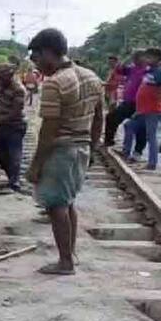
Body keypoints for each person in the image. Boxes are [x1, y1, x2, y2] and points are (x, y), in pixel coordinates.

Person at [27, 28, 104, 275]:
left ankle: (65, 262)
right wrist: (92, 147)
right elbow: (99, 117)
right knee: (68, 201)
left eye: (37, 58)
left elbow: (48, 130)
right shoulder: (92, 77)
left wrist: (36, 164)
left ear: (48, 52)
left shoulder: (55, 83)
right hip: (80, 147)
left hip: (61, 149)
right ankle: (69, 255)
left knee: (55, 205)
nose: (37, 65)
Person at [122, 47, 161, 170]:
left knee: (151, 136)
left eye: (149, 57)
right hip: (143, 109)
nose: (146, 59)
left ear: (157, 58)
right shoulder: (151, 70)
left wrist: (157, 95)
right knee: (129, 125)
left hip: (153, 110)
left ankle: (152, 163)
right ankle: (126, 152)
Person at [0, 63, 27, 191]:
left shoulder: (18, 89)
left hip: (15, 126)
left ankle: (14, 181)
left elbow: (15, 112)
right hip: (3, 125)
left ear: (9, 76)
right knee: (1, 154)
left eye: (1, 77)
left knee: (14, 153)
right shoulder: (0, 86)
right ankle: (11, 177)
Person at [104, 50, 148, 149]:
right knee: (111, 117)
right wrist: (127, 56)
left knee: (140, 128)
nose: (135, 59)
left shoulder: (147, 70)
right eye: (134, 57)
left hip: (141, 103)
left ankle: (138, 151)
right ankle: (109, 141)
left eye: (138, 57)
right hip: (128, 102)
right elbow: (119, 69)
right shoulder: (132, 68)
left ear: (145, 58)